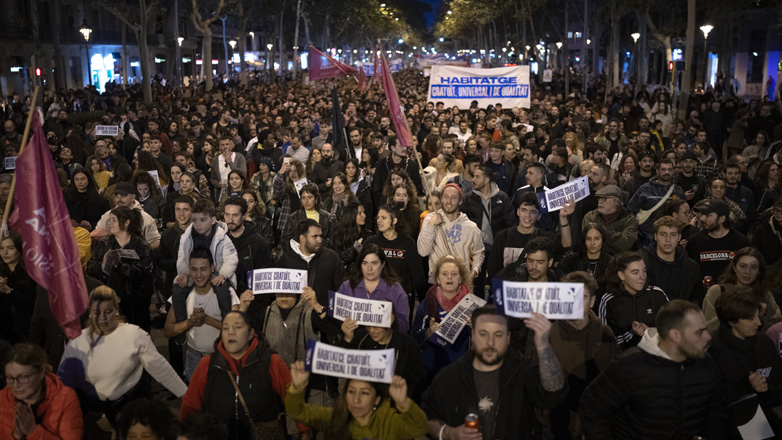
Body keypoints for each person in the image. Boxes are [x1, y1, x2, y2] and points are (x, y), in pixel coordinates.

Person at [580, 300, 728, 439]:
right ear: (675, 336)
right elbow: (592, 408)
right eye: (699, 332)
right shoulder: (629, 366)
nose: (708, 336)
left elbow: (717, 413)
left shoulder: (706, 362)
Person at [422, 305, 568, 440]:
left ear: (508, 338)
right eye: (483, 334)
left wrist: (543, 346)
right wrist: (449, 433)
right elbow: (425, 417)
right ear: (473, 335)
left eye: (498, 334)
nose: (490, 342)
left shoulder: (523, 371)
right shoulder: (450, 376)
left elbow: (553, 395)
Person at [58, 287, 187, 433]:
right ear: (90, 313)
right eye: (97, 313)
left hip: (129, 413)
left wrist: (186, 396)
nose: (102, 318)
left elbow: (160, 368)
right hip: (92, 414)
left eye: (108, 312)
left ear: (116, 310)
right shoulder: (77, 341)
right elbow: (64, 383)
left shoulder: (134, 334)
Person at [179, 311, 296, 440]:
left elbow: (294, 401)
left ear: (251, 333)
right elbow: (190, 405)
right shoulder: (207, 364)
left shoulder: (271, 361)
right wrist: (184, 433)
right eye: (226, 328)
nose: (231, 332)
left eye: (237, 327)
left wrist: (305, 431)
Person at [540, 272, 620, 440]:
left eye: (582, 297)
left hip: (594, 426)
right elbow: (535, 382)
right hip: (555, 426)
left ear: (592, 301)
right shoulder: (547, 334)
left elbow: (614, 383)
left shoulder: (605, 334)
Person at [286, 361, 428, 440]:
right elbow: (297, 412)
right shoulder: (335, 417)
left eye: (365, 393)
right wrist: (297, 389)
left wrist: (404, 403)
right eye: (351, 391)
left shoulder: (389, 421)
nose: (356, 399)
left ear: (377, 399)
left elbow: (419, 428)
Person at [709, 290, 782, 437]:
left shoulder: (764, 344)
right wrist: (746, 388)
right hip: (724, 428)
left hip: (762, 424)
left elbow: (779, 388)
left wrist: (765, 391)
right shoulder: (710, 349)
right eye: (750, 318)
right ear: (731, 321)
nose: (759, 323)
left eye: (757, 316)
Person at [164, 250, 241, 380]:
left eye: (203, 269)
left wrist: (207, 320)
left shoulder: (227, 293)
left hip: (222, 358)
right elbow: (168, 330)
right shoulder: (181, 294)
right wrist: (190, 322)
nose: (198, 275)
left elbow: (238, 331)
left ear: (212, 268)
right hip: (193, 358)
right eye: (194, 269)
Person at [86, 206, 155, 332]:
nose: (110, 223)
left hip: (136, 301)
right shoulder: (105, 244)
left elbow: (142, 273)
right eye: (109, 220)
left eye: (113, 220)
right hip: (112, 298)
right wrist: (102, 265)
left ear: (126, 222)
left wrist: (120, 265)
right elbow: (90, 268)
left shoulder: (141, 246)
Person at [0, 343, 83, 440]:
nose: (15, 385)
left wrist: (33, 431)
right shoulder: (3, 398)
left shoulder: (66, 398)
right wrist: (16, 436)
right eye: (10, 378)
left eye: (23, 377)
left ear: (42, 372)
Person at [412, 255, 474, 378]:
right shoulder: (427, 303)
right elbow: (414, 340)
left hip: (460, 371)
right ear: (438, 279)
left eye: (454, 274)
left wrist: (475, 328)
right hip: (431, 370)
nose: (449, 277)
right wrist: (428, 333)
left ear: (461, 278)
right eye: (444, 274)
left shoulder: (472, 305)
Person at [339, 308, 425, 397]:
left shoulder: (408, 345)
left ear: (390, 320)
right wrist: (347, 339)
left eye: (377, 325)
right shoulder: (360, 337)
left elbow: (416, 383)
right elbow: (339, 362)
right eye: (368, 325)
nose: (372, 330)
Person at [488, 192, 568, 279]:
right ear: (518, 212)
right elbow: (493, 270)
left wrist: (563, 218)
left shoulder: (544, 238)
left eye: (533, 212)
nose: (527, 215)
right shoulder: (503, 236)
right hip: (508, 289)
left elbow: (566, 244)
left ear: (539, 216)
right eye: (524, 210)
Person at [702, 247, 782, 334]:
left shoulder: (765, 294)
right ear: (734, 267)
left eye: (753, 267)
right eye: (743, 266)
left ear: (759, 270)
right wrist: (748, 312)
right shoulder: (717, 291)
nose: (747, 272)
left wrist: (761, 318)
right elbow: (709, 328)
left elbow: (775, 330)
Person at [599, 251, 669, 350]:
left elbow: (672, 329)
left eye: (644, 271)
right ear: (621, 275)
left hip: (657, 358)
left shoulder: (657, 294)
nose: (642, 277)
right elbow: (607, 341)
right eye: (635, 272)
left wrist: (649, 332)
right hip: (625, 361)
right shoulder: (608, 301)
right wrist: (631, 333)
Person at [418, 183, 485, 284]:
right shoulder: (430, 219)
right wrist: (432, 225)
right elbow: (423, 252)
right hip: (437, 283)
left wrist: (473, 273)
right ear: (441, 199)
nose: (449, 201)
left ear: (460, 201)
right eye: (446, 197)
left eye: (454, 198)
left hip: (460, 282)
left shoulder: (471, 227)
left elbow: (479, 253)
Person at [336, 244, 410, 333]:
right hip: (353, 342)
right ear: (360, 265)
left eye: (374, 263)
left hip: (384, 344)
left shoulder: (396, 290)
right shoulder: (347, 287)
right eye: (365, 263)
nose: (369, 268)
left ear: (383, 265)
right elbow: (335, 321)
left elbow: (404, 328)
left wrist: (393, 321)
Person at [174, 199, 238, 290]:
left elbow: (231, 259)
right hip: (194, 276)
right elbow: (182, 258)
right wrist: (184, 273)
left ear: (213, 220)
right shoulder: (186, 237)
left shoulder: (222, 238)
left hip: (217, 275)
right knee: (177, 289)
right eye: (195, 220)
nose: (198, 224)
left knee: (223, 291)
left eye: (203, 220)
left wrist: (223, 275)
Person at [639, 215, 703, 303]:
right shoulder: (641, 263)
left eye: (673, 235)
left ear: (679, 237)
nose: (668, 240)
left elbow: (696, 301)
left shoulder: (690, 267)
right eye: (663, 234)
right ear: (655, 236)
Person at [686, 199, 750, 280]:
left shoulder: (741, 242)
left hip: (732, 291)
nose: (702, 218)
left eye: (708, 215)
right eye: (702, 214)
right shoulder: (695, 241)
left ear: (722, 219)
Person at [626, 158, 686, 246]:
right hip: (646, 238)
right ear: (657, 171)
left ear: (673, 171)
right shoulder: (645, 189)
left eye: (669, 169)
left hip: (671, 238)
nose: (666, 172)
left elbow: (683, 213)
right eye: (663, 169)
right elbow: (630, 210)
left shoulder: (678, 191)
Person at [223, 196, 272, 293]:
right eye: (227, 215)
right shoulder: (219, 239)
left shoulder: (259, 243)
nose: (230, 220)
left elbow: (264, 282)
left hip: (250, 300)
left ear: (244, 215)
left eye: (235, 215)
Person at [92, 182, 162, 250]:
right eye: (116, 196)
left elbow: (156, 241)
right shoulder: (107, 215)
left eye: (123, 195)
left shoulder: (145, 218)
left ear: (133, 197)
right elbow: (96, 233)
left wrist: (141, 251)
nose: (119, 199)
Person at [558, 222, 613, 307]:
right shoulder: (570, 261)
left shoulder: (612, 263)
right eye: (588, 239)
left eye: (597, 239)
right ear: (584, 240)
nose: (592, 243)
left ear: (603, 240)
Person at [0, 231, 38, 344]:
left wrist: (9, 291)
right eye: (1, 248)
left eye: (10, 248)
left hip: (24, 333)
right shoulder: (2, 271)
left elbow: (33, 305)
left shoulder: (31, 273)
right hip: (3, 333)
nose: (5, 252)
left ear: (19, 248)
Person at [582, 185, 639, 255]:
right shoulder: (590, 216)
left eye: (604, 199)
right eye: (599, 198)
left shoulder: (629, 220)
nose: (600, 202)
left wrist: (600, 230)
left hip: (619, 261)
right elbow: (586, 240)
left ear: (616, 202)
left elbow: (626, 244)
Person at [330, 202, 372, 266]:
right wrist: (355, 249)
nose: (364, 215)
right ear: (351, 215)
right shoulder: (338, 235)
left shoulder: (368, 235)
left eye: (364, 212)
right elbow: (337, 259)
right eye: (360, 213)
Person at [752, 199, 782, 266]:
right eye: (776, 210)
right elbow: (755, 251)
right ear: (773, 211)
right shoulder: (761, 230)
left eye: (781, 211)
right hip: (768, 267)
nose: (778, 214)